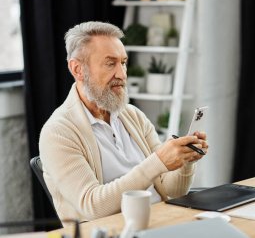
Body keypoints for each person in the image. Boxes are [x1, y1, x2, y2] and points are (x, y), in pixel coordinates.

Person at [39, 21, 208, 225]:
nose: (122, 74)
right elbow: (92, 206)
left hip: (161, 222)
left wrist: (184, 160)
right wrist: (158, 162)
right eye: (110, 63)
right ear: (77, 69)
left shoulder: (132, 116)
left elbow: (170, 189)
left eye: (124, 62)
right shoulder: (57, 132)